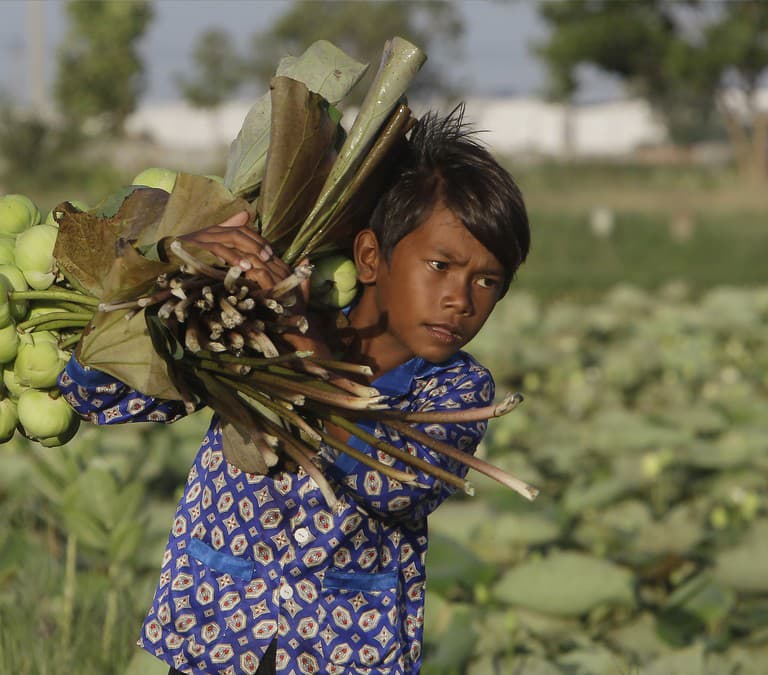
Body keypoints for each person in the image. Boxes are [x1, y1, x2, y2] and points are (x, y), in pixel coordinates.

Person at [58, 105, 530, 675]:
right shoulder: (244, 326)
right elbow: (96, 395)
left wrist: (293, 333)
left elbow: (391, 484)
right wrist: (171, 268)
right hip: (212, 637)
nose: (461, 298)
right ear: (371, 257)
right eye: (440, 265)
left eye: (487, 281)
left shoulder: (459, 388)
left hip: (347, 656)